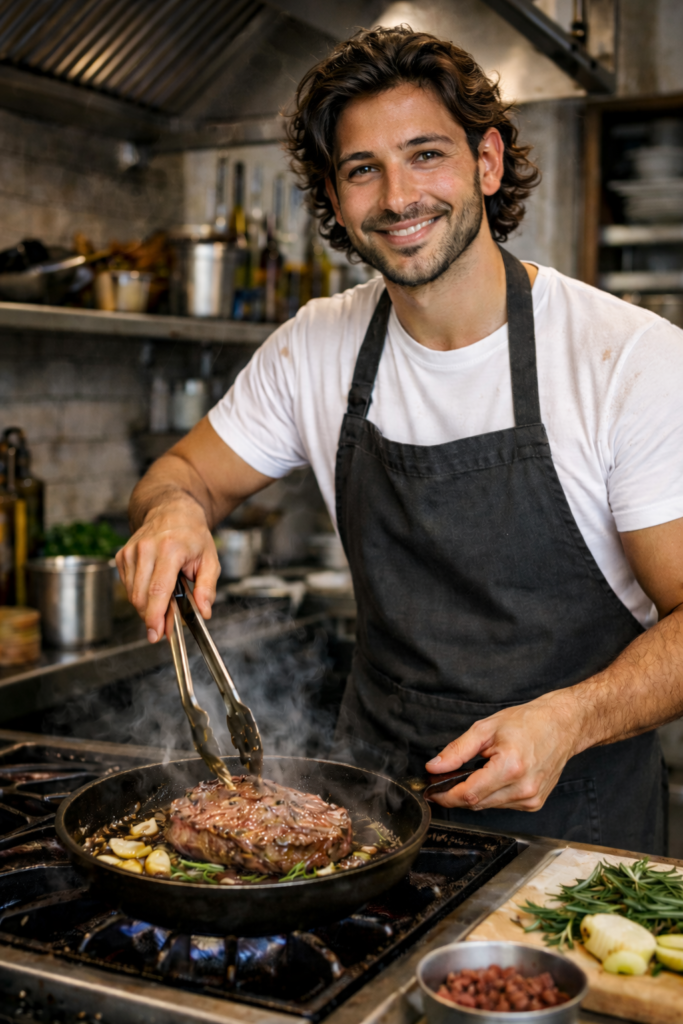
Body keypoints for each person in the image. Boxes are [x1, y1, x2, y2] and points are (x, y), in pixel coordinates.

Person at [117, 26, 683, 854]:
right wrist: (171, 511)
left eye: (425, 155)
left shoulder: (625, 359)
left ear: (486, 163)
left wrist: (569, 718)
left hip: (572, 824)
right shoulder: (316, 344)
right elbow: (181, 474)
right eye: (361, 169)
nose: (396, 196)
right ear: (335, 199)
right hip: (366, 816)